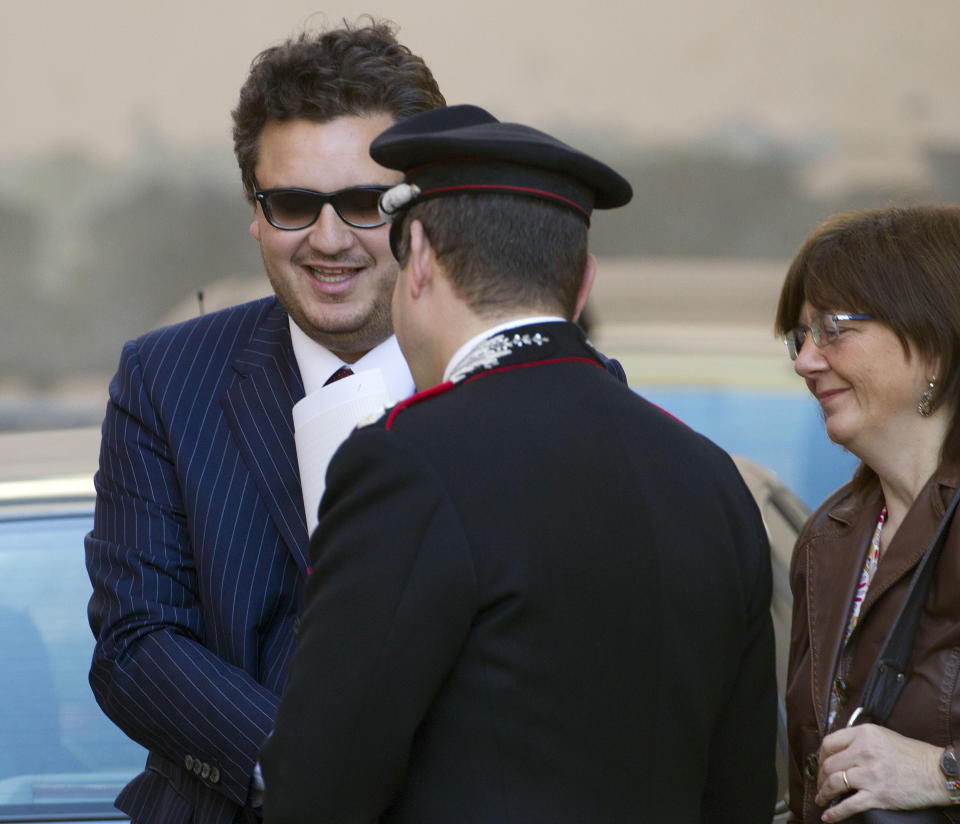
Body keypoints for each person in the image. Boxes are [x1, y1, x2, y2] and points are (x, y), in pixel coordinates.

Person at [261, 104, 778, 824]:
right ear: (584, 281)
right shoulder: (710, 476)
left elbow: (317, 788)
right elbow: (743, 789)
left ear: (421, 265)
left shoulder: (404, 461)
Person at [84, 21, 446, 824]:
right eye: (292, 204)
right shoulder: (164, 381)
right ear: (256, 212)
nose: (327, 240)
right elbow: (137, 643)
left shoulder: (522, 382)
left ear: (425, 206)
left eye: (361, 202)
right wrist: (306, 772)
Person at [775, 206, 960, 822]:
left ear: (933, 341)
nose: (805, 361)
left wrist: (943, 773)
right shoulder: (828, 535)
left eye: (832, 329)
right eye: (800, 337)